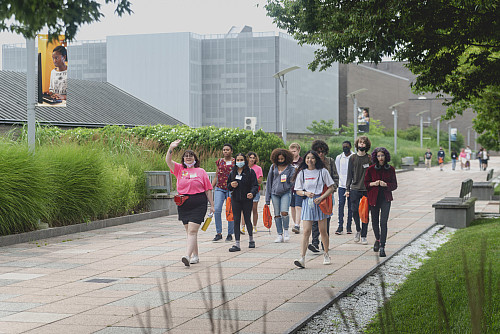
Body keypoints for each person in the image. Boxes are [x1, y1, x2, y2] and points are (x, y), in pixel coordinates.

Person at [166, 140, 214, 267]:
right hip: (183, 203)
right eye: (186, 156)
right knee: (190, 232)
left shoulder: (201, 171)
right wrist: (171, 148)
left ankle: (187, 255)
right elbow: (168, 161)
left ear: (195, 159)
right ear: (183, 159)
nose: (188, 157)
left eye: (191, 156)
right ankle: (196, 255)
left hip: (198, 202)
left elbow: (208, 190)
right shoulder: (179, 170)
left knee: (192, 231)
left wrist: (212, 205)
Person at [293, 150, 335, 268]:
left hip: (320, 203)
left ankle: (326, 254)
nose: (309, 160)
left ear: (316, 160)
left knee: (323, 231)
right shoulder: (302, 173)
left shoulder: (323, 171)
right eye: (307, 158)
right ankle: (302, 258)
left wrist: (321, 197)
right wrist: (306, 193)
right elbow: (298, 190)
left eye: (312, 158)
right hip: (308, 203)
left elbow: (331, 188)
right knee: (306, 231)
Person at [364, 147, 397, 257]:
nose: (380, 158)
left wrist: (386, 185)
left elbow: (394, 185)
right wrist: (374, 183)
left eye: (382, 155)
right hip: (373, 198)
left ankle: (382, 245)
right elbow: (366, 184)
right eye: (378, 156)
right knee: (374, 221)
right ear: (375, 157)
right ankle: (377, 239)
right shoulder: (371, 169)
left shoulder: (390, 169)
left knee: (383, 222)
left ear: (385, 156)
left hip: (385, 198)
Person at [308, 140, 339, 253]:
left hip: (328, 194)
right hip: (315, 194)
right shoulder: (312, 163)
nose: (321, 154)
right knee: (314, 219)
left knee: (326, 219)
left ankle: (324, 242)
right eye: (318, 152)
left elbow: (336, 177)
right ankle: (314, 242)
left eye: (322, 152)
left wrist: (333, 189)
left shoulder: (330, 161)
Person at [227, 153, 259, 252]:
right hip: (235, 198)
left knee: (247, 218)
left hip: (247, 199)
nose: (239, 162)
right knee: (236, 219)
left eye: (241, 160)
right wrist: (231, 185)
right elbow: (228, 186)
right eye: (238, 160)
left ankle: (251, 239)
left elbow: (255, 185)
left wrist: (252, 193)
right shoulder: (232, 172)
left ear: (245, 161)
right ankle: (237, 244)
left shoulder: (250, 172)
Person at [265, 148, 295, 242]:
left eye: (282, 159)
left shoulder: (291, 168)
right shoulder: (273, 167)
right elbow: (269, 181)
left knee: (284, 212)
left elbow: (293, 181)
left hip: (285, 192)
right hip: (274, 193)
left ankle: (286, 230)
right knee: (277, 214)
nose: (281, 161)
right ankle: (279, 234)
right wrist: (267, 198)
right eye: (279, 159)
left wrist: (286, 186)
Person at [346, 136, 372, 245]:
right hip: (354, 188)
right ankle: (358, 229)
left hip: (366, 189)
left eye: (364, 143)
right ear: (357, 144)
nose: (362, 145)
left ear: (366, 145)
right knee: (354, 210)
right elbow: (349, 175)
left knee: (365, 213)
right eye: (360, 143)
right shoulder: (352, 158)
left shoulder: (370, 158)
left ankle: (364, 235)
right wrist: (347, 189)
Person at [212, 144, 235, 242]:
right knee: (217, 209)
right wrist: (210, 187)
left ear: (231, 151)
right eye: (224, 150)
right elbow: (216, 176)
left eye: (227, 150)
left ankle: (230, 233)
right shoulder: (220, 161)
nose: (225, 151)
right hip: (219, 188)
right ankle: (218, 233)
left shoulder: (235, 162)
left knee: (230, 210)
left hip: (231, 189)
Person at [335, 140, 354, 235]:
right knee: (341, 205)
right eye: (343, 146)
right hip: (342, 185)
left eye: (347, 146)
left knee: (351, 206)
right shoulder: (339, 157)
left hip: (352, 185)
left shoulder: (354, 157)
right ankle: (340, 226)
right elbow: (337, 171)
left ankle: (349, 226)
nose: (345, 148)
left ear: (350, 147)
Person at [246, 151, 263, 233]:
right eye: (250, 157)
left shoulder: (258, 168)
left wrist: (251, 180)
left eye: (254, 158)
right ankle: (243, 225)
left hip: (255, 190)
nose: (252, 159)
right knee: (244, 209)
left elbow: (259, 180)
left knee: (254, 208)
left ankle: (254, 226)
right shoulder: (244, 167)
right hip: (245, 190)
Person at [289, 143, 303, 234]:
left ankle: (297, 224)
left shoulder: (302, 161)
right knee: (292, 207)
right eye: (291, 151)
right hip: (290, 187)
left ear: (298, 151)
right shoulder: (288, 161)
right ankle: (295, 223)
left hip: (299, 186)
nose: (293, 153)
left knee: (298, 206)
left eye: (294, 151)